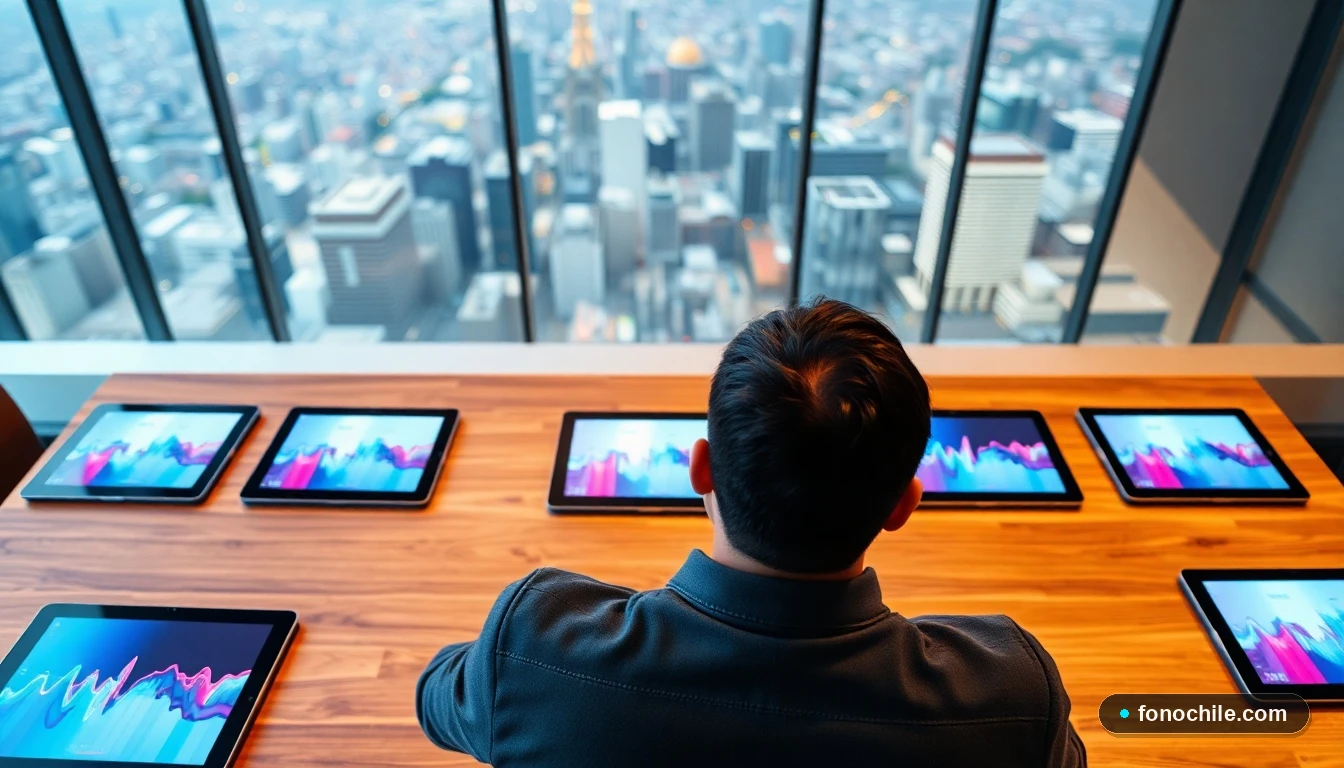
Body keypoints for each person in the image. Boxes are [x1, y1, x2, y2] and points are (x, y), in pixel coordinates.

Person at [416, 299, 1085, 767]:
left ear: (701, 468)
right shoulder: (1011, 699)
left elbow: (437, 697)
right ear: (903, 504)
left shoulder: (537, 644)